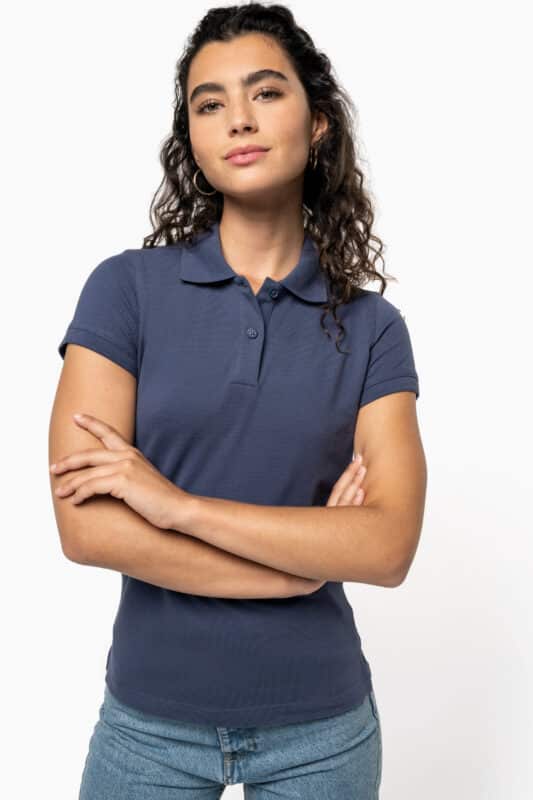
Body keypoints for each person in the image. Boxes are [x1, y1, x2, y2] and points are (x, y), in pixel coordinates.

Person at [48, 3, 427, 797]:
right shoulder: (125, 291)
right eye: (209, 103)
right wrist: (294, 569)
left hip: (322, 731)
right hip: (148, 726)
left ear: (317, 123)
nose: (238, 120)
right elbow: (85, 527)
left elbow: (386, 547)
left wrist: (174, 506)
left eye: (266, 92)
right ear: (191, 137)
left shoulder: (371, 329)